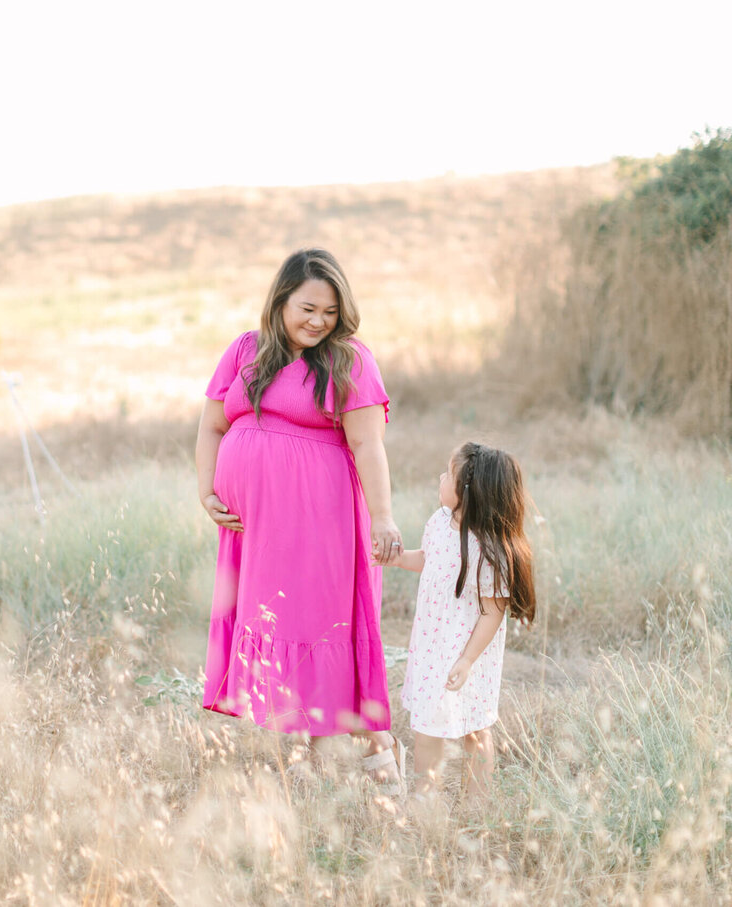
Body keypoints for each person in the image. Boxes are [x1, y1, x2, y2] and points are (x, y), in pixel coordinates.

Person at [196, 248, 405, 787]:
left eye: (330, 313)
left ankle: (381, 761)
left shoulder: (348, 360)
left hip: (322, 524)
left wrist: (383, 518)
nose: (318, 322)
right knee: (275, 625)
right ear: (281, 299)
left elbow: (368, 445)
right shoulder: (246, 350)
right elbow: (212, 426)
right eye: (308, 308)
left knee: (319, 627)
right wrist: (207, 488)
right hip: (256, 530)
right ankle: (301, 768)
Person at [380, 442, 535, 801]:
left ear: (469, 491)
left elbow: (493, 611)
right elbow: (431, 561)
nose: (440, 478)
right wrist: (400, 559)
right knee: (426, 724)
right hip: (432, 644)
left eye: (448, 474)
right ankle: (424, 799)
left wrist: (466, 660)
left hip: (468, 653)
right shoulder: (439, 522)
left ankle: (477, 805)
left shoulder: (489, 548)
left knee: (474, 728)